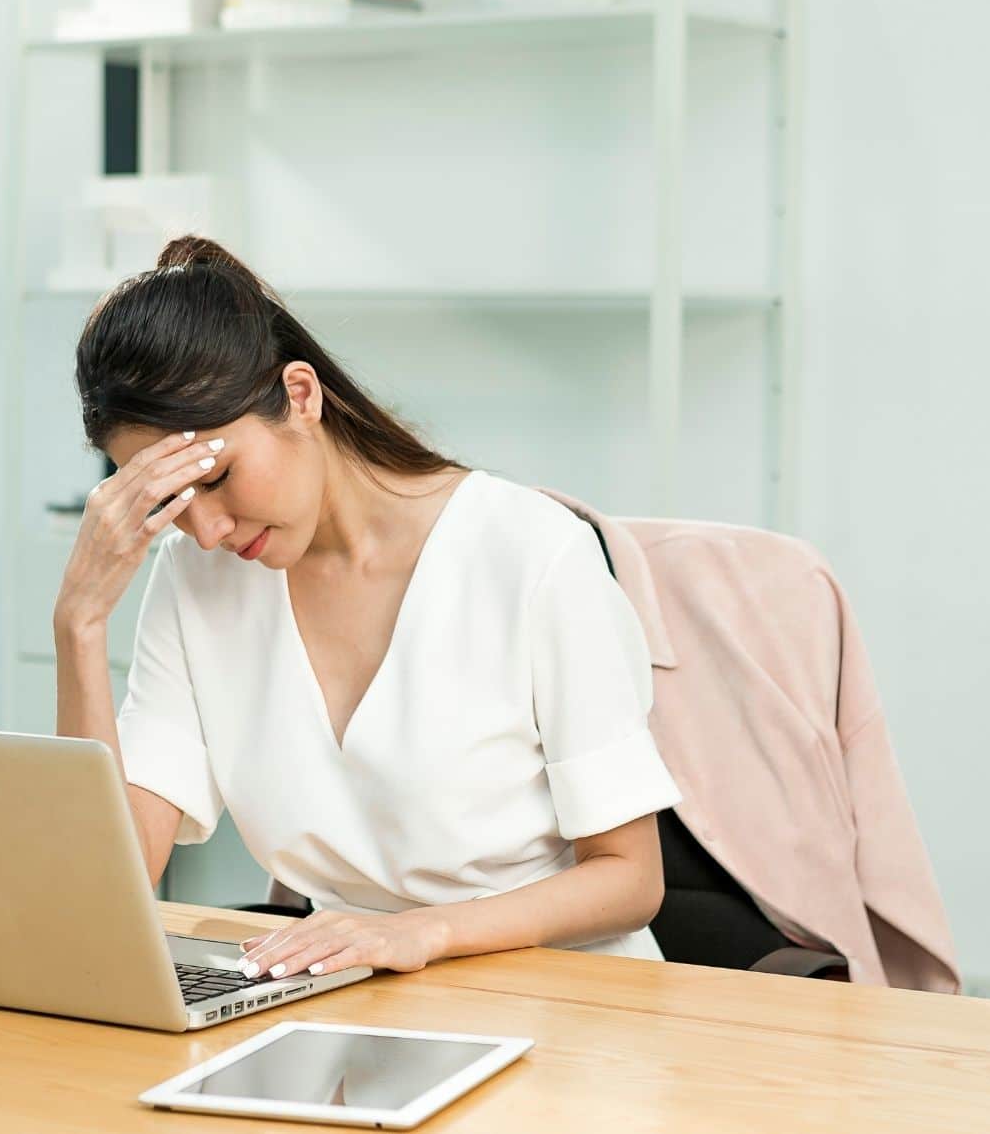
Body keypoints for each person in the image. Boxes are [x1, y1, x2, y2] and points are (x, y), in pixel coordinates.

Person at [53, 234, 682, 983]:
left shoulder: (532, 553)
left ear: (300, 395)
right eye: (168, 500)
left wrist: (423, 934)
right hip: (349, 1001)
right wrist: (80, 625)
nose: (208, 530)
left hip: (571, 1001)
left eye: (215, 478)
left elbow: (631, 879)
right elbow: (109, 889)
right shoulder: (197, 581)